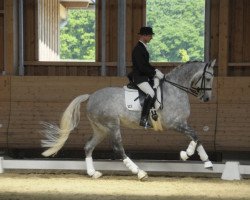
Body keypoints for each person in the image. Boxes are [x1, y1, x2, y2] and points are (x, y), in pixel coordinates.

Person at [129, 26, 164, 128]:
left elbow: (146, 65)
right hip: (139, 77)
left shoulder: (142, 47)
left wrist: (155, 71)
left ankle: (151, 112)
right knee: (151, 93)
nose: (151, 38)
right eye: (149, 36)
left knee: (156, 87)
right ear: (144, 36)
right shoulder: (138, 49)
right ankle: (143, 119)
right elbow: (141, 67)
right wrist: (154, 73)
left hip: (144, 76)